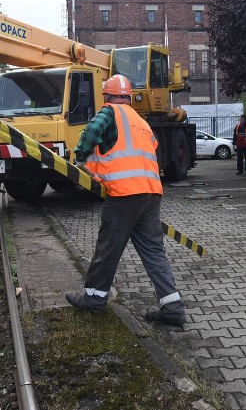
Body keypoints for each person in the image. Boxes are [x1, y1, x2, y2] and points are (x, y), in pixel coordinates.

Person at [65, 74, 186, 326]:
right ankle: (172, 307)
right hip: (151, 193)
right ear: (129, 96)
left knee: (108, 248)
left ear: (107, 96)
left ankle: (94, 299)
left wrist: (79, 160)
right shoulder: (140, 120)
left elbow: (90, 132)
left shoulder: (109, 112)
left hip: (124, 194)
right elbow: (152, 148)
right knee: (154, 252)